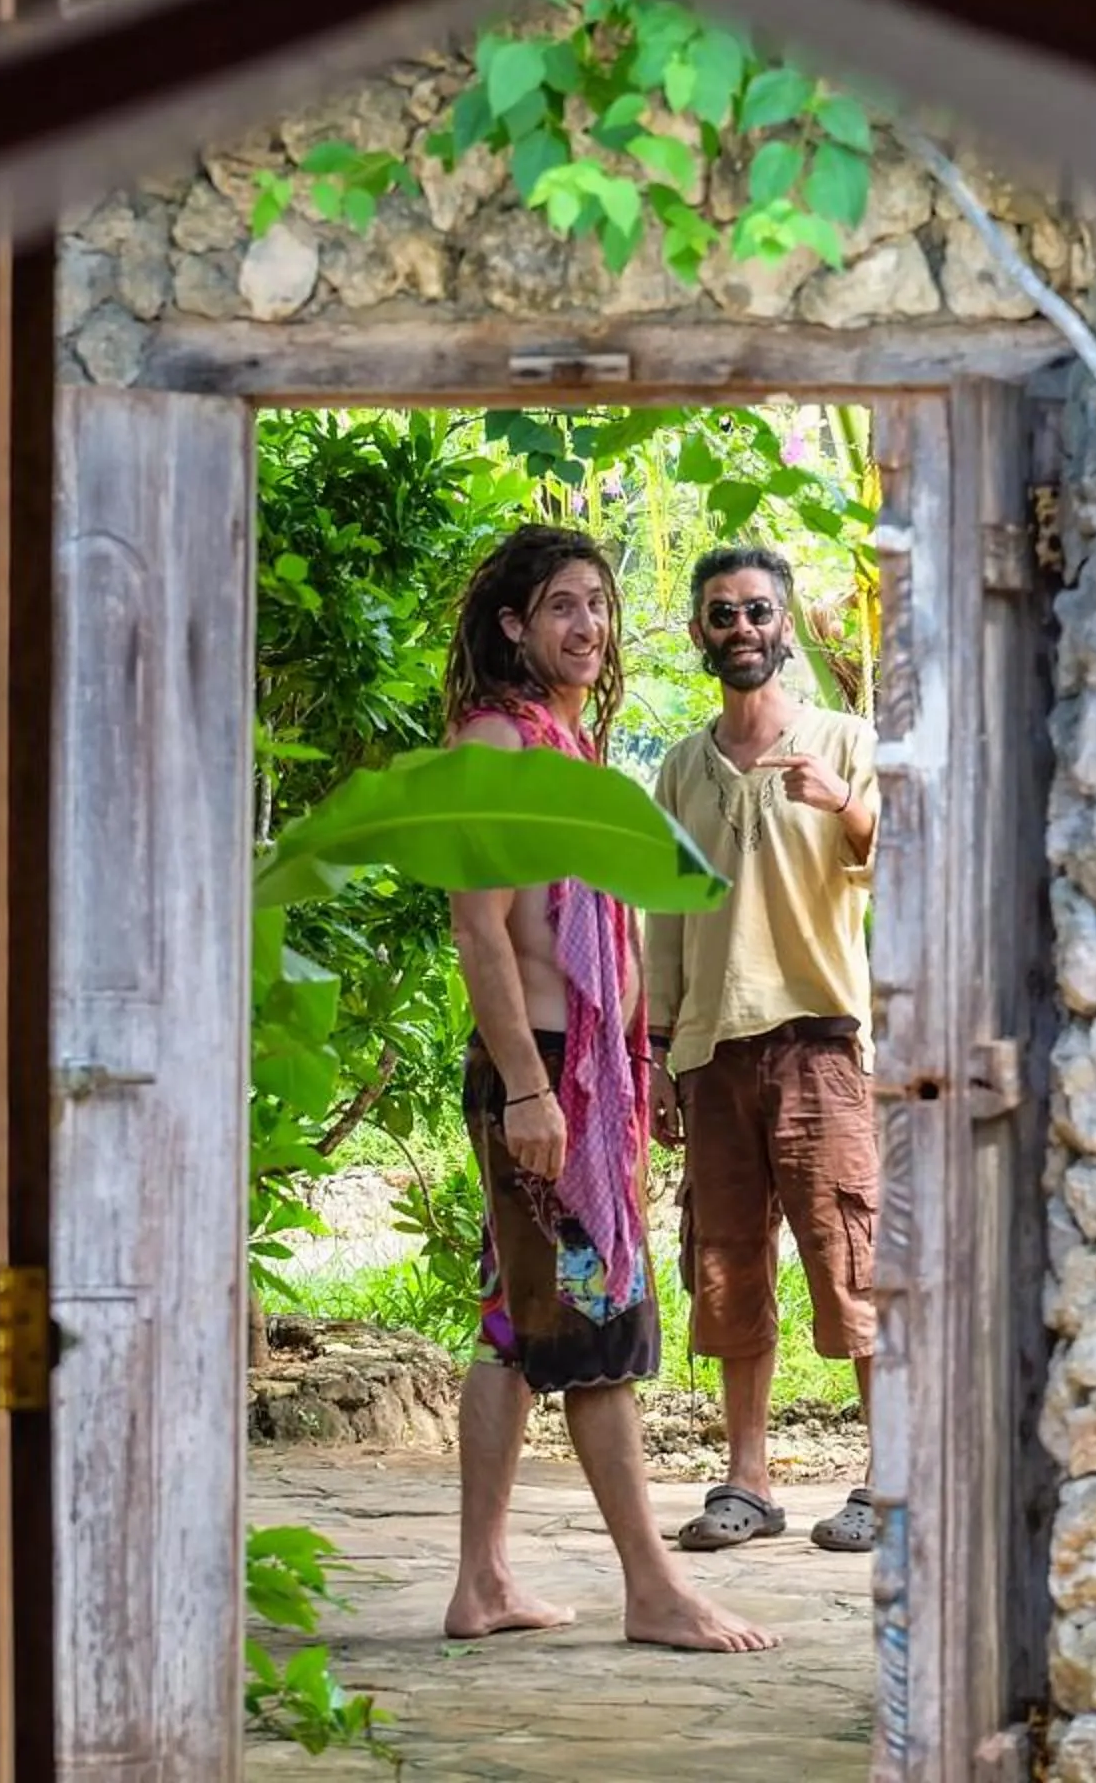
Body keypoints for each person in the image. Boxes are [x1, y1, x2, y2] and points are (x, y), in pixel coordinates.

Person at [436, 523, 779, 1654]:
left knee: (515, 1329)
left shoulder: (568, 747)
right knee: (594, 1335)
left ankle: (482, 1580)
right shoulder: (497, 740)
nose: (589, 626)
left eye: (599, 604)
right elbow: (481, 934)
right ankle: (653, 1586)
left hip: (578, 1079)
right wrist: (534, 1093)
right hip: (540, 1079)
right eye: (563, 606)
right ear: (512, 625)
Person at [644, 544, 883, 1555]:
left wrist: (845, 801)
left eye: (756, 611)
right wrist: (661, 1047)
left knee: (852, 1260)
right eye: (721, 614)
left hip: (820, 1040)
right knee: (726, 1264)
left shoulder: (843, 739)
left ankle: (892, 1477)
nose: (741, 628)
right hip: (711, 1050)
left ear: (784, 626)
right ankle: (747, 1481)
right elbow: (662, 915)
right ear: (701, 633)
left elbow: (894, 856)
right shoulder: (678, 767)